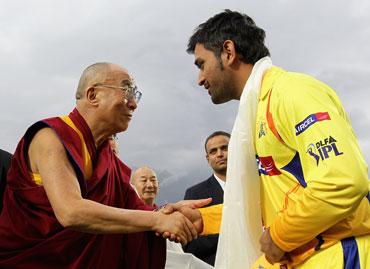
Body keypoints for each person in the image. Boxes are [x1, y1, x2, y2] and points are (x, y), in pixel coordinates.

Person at [175, 9, 370, 268]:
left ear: (228, 52)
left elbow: (341, 181)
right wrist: (203, 220)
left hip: (337, 256)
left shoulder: (293, 92)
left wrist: (279, 237)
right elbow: (271, 202)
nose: (200, 79)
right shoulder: (255, 112)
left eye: (201, 64)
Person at [0, 62, 208, 269]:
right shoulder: (51, 137)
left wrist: (166, 212)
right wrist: (156, 220)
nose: (134, 103)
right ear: (93, 95)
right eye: (127, 90)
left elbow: (135, 209)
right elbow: (71, 211)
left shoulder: (108, 158)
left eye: (136, 94)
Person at [131, 166, 213, 269]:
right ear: (132, 187)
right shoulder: (129, 220)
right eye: (144, 180)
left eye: (153, 180)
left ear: (159, 186)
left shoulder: (169, 217)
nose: (150, 185)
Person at [183, 131, 230, 265]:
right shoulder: (195, 195)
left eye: (225, 148)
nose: (220, 154)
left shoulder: (257, 184)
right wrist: (230, 233)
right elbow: (189, 245)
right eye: (213, 151)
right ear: (208, 159)